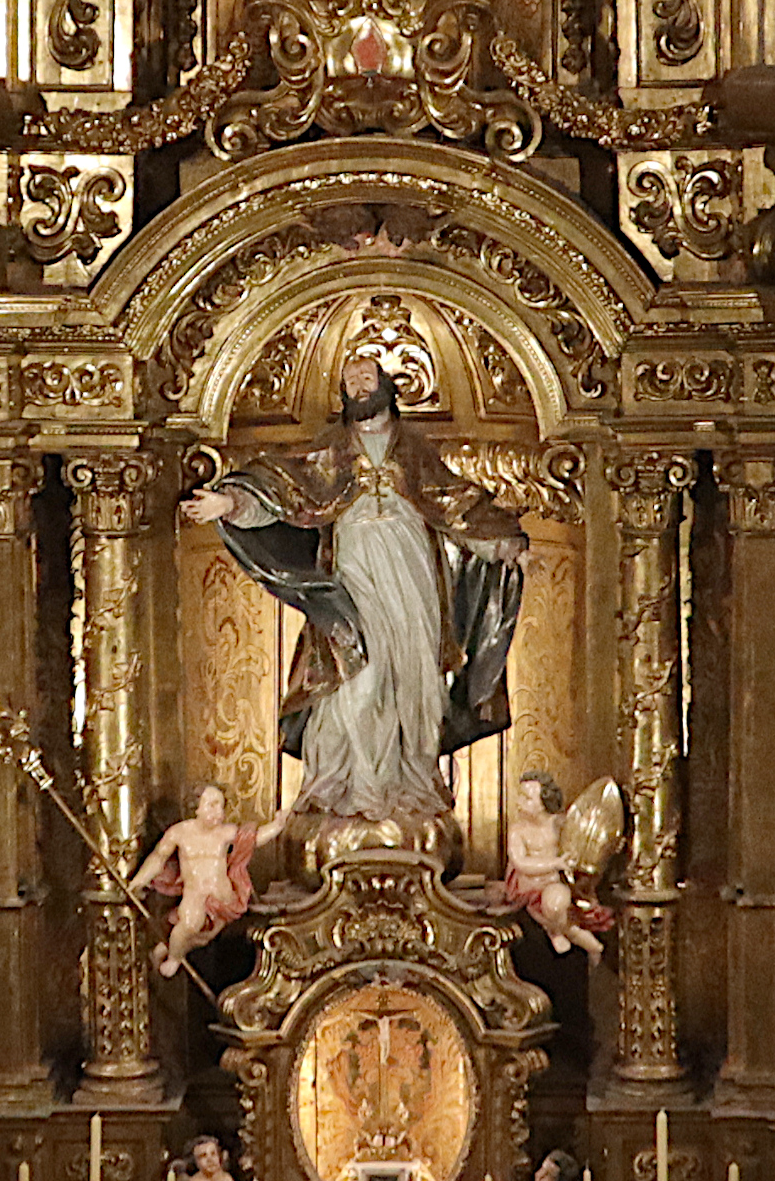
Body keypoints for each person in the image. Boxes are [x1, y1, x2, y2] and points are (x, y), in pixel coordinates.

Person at [182, 357, 530, 850]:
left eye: (366, 378)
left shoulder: (414, 451)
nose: (359, 386)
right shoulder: (330, 452)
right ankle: (349, 790)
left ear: (387, 386)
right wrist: (231, 503)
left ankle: (412, 783)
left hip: (412, 581)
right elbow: (282, 487)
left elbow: (455, 505)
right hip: (354, 580)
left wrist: (502, 544)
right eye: (350, 381)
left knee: (415, 684)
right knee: (356, 682)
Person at [128, 781, 285, 975]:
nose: (218, 811)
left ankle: (165, 948)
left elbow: (255, 838)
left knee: (205, 937)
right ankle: (174, 959)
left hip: (222, 898)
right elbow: (158, 858)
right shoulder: (180, 833)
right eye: (212, 805)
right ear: (196, 808)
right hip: (195, 895)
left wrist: (277, 825)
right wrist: (138, 881)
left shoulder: (224, 833)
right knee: (188, 925)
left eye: (221, 805)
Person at [490, 771, 617, 958]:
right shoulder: (518, 831)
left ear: (544, 803)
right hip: (529, 886)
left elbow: (576, 843)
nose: (519, 801)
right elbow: (521, 862)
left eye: (527, 798)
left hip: (556, 883)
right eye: (520, 796)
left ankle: (579, 940)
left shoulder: (558, 824)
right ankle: (567, 936)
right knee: (554, 912)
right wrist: (554, 863)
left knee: (557, 905)